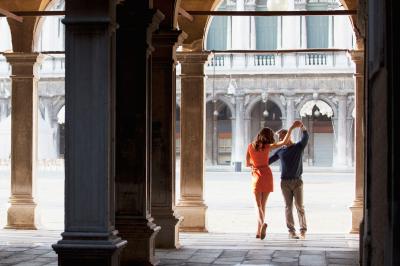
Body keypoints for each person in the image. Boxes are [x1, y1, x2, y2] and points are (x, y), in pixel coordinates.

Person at [246, 121, 301, 240]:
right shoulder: (267, 147)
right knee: (263, 205)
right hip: (267, 174)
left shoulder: (250, 146)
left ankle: (262, 225)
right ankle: (259, 231)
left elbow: (247, 163)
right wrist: (291, 128)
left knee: (257, 205)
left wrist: (254, 163)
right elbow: (284, 142)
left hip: (256, 175)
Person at [269, 121, 309, 239]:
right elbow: (268, 161)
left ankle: (303, 230)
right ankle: (291, 231)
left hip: (297, 182)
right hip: (284, 183)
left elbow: (305, 137)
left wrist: (302, 127)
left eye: (282, 137)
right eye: (280, 138)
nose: (281, 140)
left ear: (288, 136)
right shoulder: (280, 150)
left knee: (300, 206)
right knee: (288, 207)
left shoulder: (298, 147)